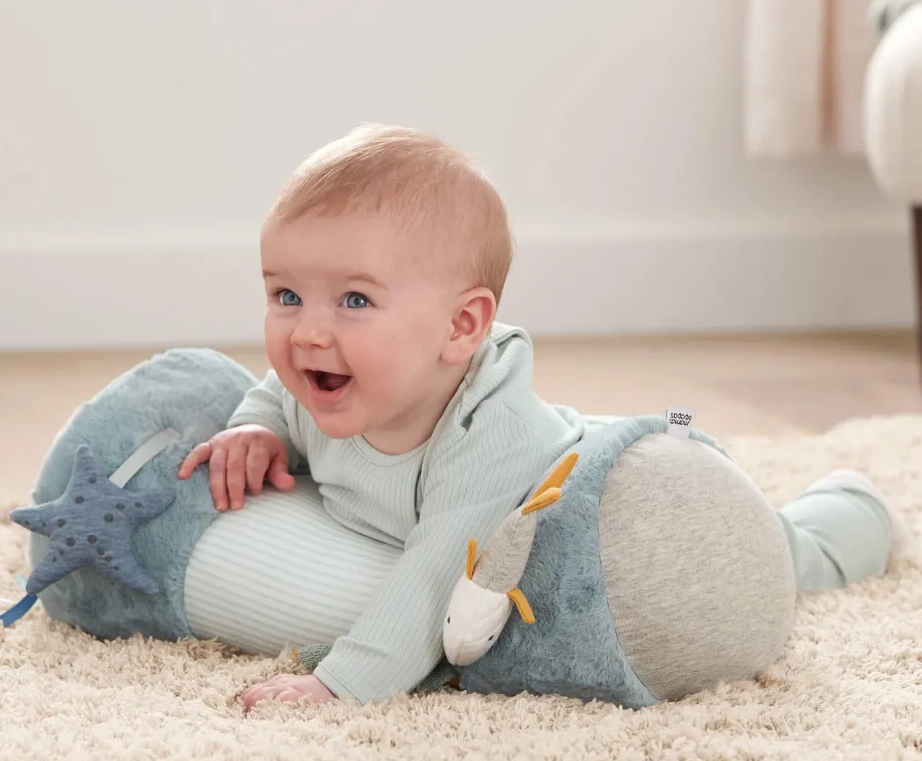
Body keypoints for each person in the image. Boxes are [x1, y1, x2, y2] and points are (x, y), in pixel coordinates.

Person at [177, 124, 908, 708]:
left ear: (461, 328)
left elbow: (438, 572)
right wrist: (258, 426)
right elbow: (276, 390)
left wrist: (341, 683)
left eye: (355, 300)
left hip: (605, 517)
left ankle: (861, 510)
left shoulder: (486, 438)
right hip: (562, 439)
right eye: (286, 295)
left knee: (784, 553)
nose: (305, 332)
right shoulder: (324, 373)